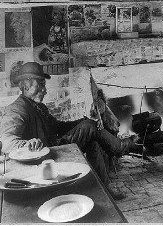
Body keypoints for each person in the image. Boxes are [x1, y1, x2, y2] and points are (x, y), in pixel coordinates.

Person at [0, 62, 142, 200]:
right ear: (25, 84)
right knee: (90, 126)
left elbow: (58, 126)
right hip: (45, 159)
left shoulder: (39, 107)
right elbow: (6, 141)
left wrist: (81, 121)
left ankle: (104, 189)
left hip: (53, 149)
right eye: (41, 84)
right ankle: (121, 146)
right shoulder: (17, 109)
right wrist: (27, 145)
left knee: (91, 137)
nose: (45, 90)